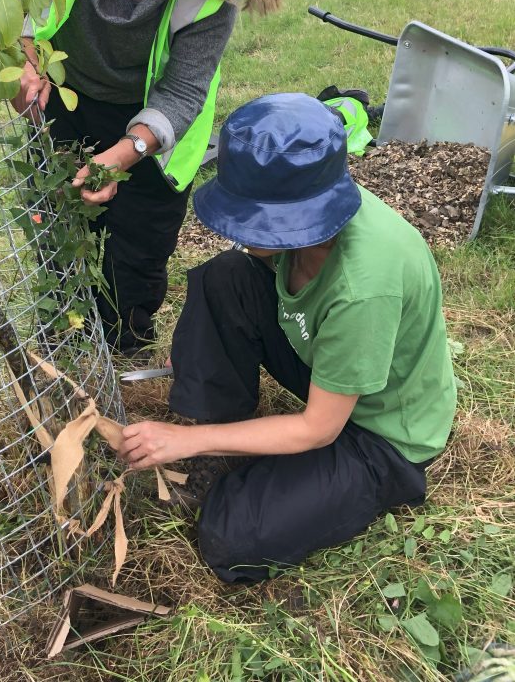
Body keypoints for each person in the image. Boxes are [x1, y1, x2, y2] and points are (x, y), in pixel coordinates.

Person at [118, 93, 457, 581]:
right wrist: (198, 352)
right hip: (329, 367)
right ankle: (216, 446)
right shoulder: (307, 228)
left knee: (232, 537)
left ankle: (218, 454)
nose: (240, 229)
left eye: (252, 217)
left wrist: (184, 440)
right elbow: (239, 282)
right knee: (225, 277)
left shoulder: (364, 287)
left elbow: (319, 429)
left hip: (379, 431)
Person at [8, 0, 290, 354]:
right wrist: (20, 51)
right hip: (64, 86)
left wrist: (123, 153)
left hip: (149, 120)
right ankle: (61, 341)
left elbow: (184, 89)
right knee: (58, 227)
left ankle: (123, 346)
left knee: (136, 252)